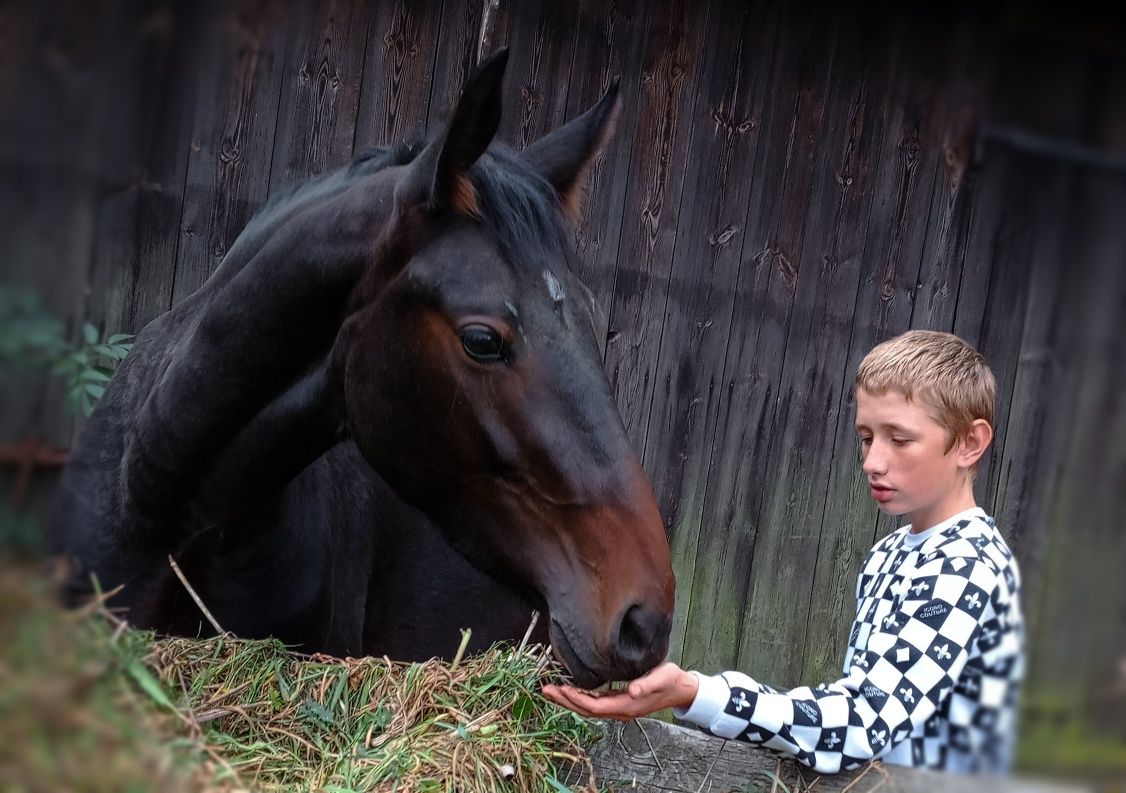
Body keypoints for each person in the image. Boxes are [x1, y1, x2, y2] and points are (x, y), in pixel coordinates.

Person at [543, 330, 1024, 774]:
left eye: (900, 439)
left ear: (969, 442)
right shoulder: (892, 551)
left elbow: (863, 724)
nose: (873, 462)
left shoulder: (967, 567)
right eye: (866, 438)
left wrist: (698, 692)